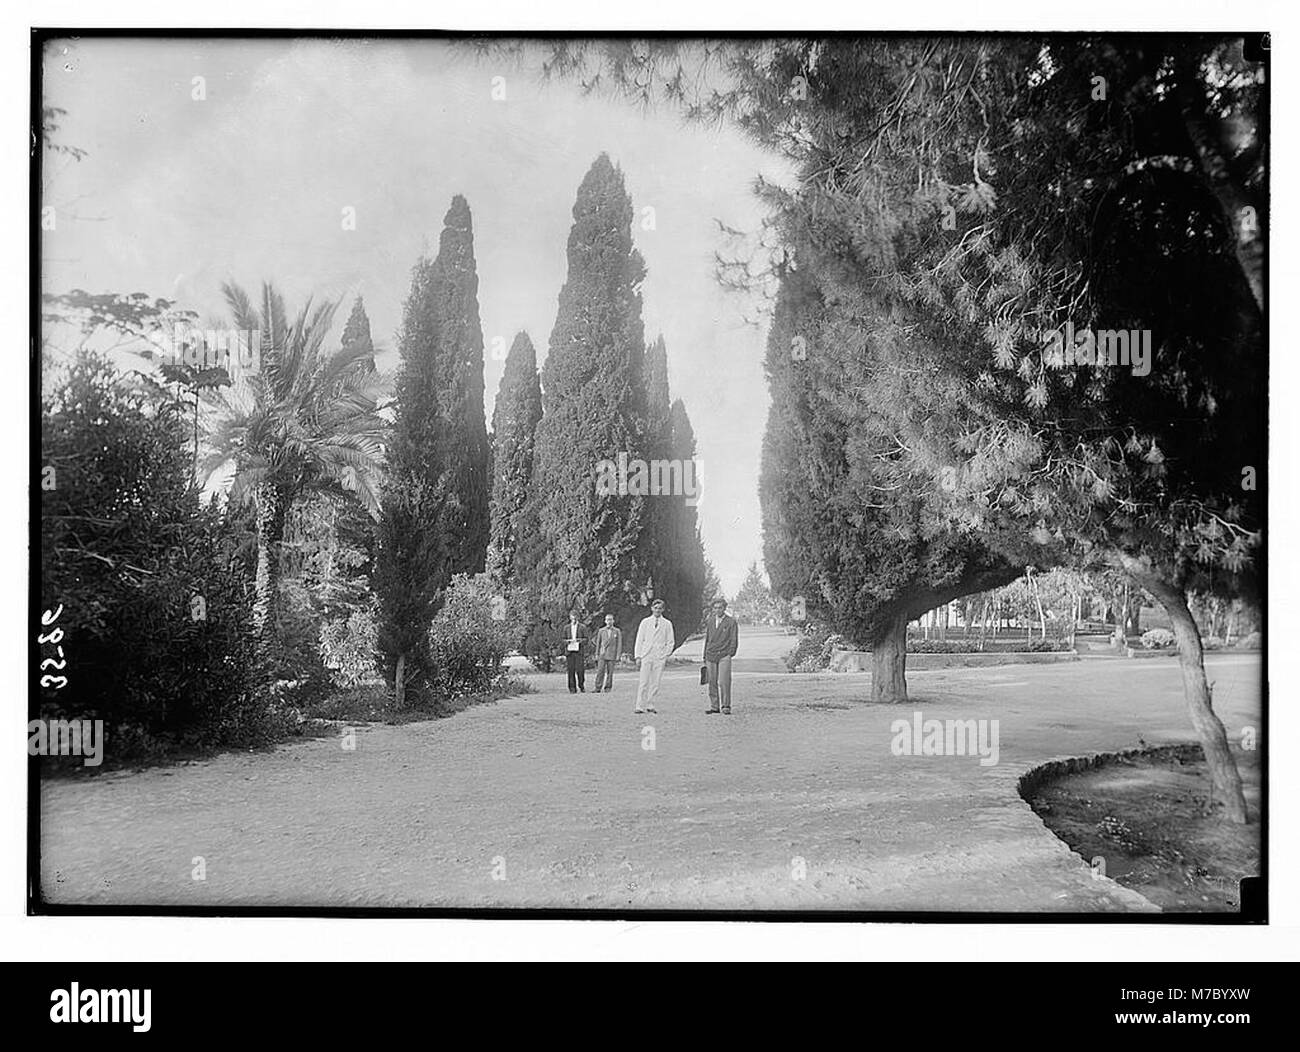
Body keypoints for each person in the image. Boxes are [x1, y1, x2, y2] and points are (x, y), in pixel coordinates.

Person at [633, 599, 674, 714]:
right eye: (655, 608)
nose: (657, 610)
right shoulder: (645, 622)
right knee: (643, 681)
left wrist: (665, 654)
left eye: (660, 608)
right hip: (646, 654)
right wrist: (638, 656)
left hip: (659, 656)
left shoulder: (667, 623)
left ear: (663, 610)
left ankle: (650, 704)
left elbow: (670, 642)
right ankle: (639, 706)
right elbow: (639, 639)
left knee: (655, 682)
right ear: (652, 608)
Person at [703, 597, 739, 715]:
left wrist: (730, 652)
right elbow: (707, 638)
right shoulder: (710, 621)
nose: (718, 610)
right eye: (715, 608)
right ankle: (714, 706)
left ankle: (726, 705)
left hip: (724, 655)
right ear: (713, 609)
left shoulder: (731, 622)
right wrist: (705, 654)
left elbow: (734, 638)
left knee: (724, 681)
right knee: (712, 681)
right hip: (711, 654)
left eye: (720, 608)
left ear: (724, 608)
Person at [592, 613, 622, 693]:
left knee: (610, 672)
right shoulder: (601, 631)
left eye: (610, 619)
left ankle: (608, 687)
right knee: (600, 671)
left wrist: (618, 655)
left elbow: (619, 644)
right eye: (607, 619)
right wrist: (596, 654)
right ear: (605, 621)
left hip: (612, 654)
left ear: (613, 621)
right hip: (602, 654)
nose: (609, 621)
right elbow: (598, 643)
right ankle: (597, 687)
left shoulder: (617, 631)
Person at [563, 610, 590, 694]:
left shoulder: (582, 627)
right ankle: (572, 688)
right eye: (572, 617)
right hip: (570, 651)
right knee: (570, 670)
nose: (573, 619)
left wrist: (579, 641)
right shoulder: (566, 628)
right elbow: (563, 639)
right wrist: (567, 641)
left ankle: (581, 685)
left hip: (579, 651)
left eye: (575, 617)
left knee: (580, 670)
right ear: (570, 618)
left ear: (577, 618)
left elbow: (586, 639)